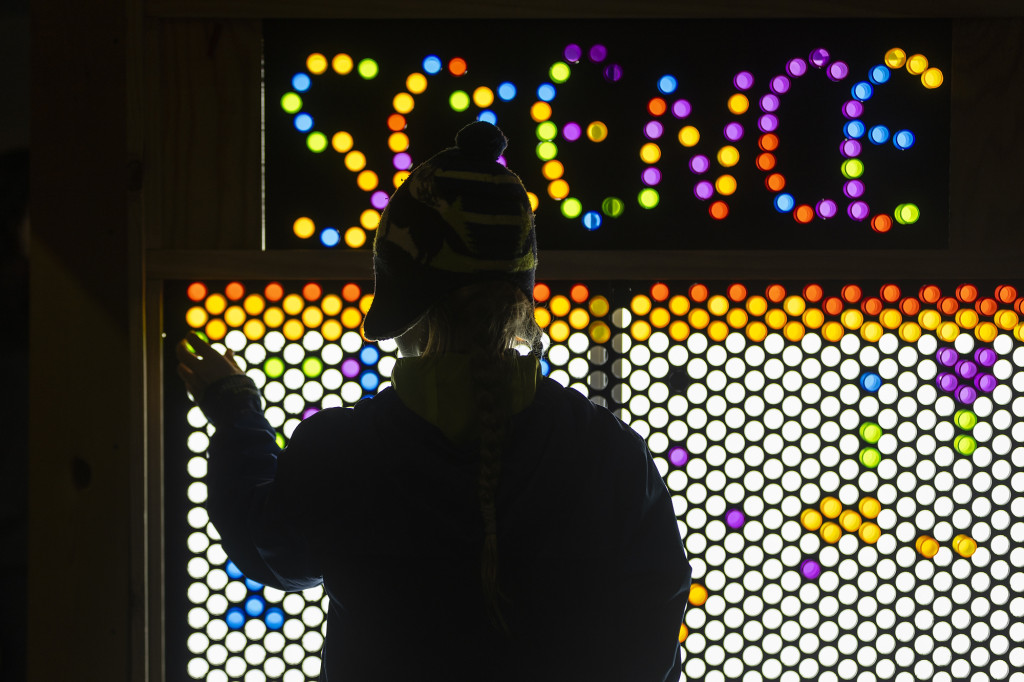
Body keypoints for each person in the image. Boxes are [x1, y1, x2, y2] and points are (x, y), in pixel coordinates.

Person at [178, 121, 690, 681]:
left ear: (399, 299)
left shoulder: (342, 452)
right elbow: (650, 633)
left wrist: (237, 414)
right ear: (521, 292)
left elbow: (270, 551)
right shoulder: (608, 456)